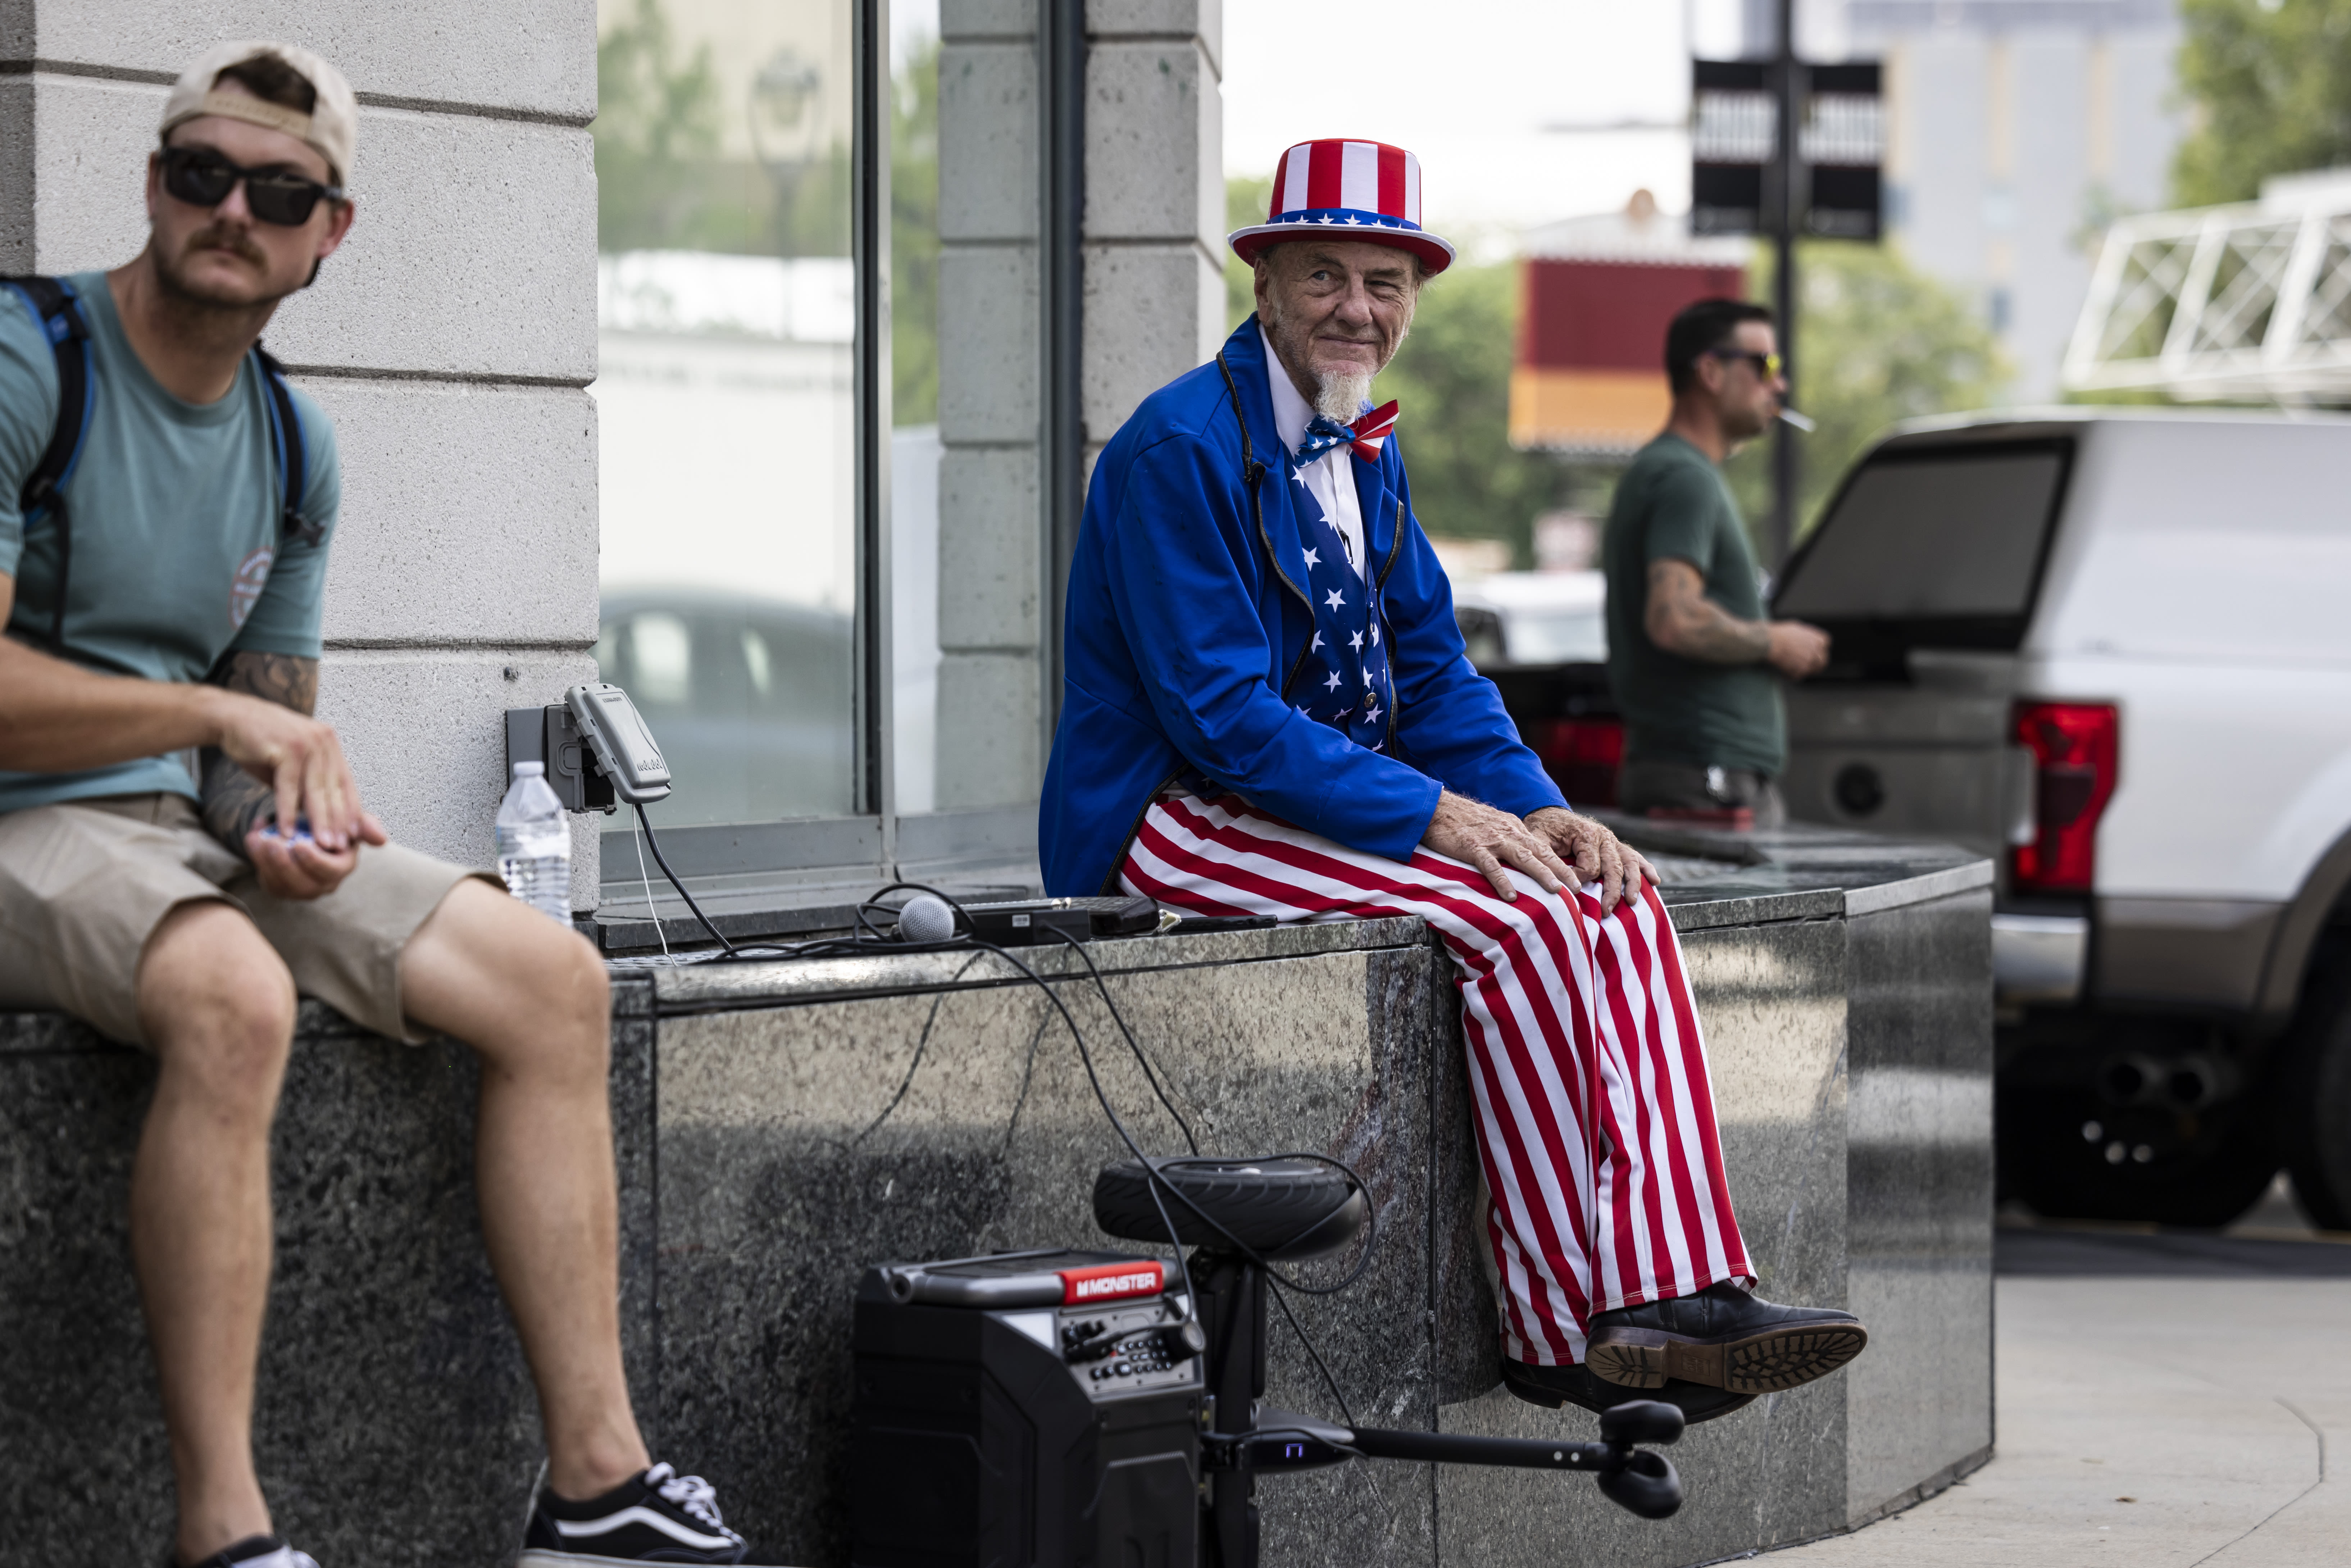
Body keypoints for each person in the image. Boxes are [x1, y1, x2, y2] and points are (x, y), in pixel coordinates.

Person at [0, 42, 751, 1568]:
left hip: (172, 834)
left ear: (328, 232)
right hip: (24, 816)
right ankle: (226, 1534)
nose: (233, 212)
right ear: (152, 183)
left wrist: (281, 824)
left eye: (278, 191)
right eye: (201, 175)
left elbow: (254, 744)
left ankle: (594, 1488)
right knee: (231, 992)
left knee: (553, 981)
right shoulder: (34, 359)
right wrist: (212, 719)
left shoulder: (292, 446)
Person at [1039, 140, 1866, 1422]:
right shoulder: (1175, 450)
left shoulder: (1365, 449)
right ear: (1261, 283)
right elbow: (1220, 722)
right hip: (1172, 815)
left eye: (1385, 279)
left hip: (1319, 798)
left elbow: (1431, 675)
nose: (1357, 307)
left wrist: (1541, 807)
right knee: (1517, 919)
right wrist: (1432, 812)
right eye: (1324, 274)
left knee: (1614, 899)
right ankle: (1557, 1333)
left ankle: (1685, 1290)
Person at [1602, 298, 1831, 826]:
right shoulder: (1686, 477)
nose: (1780, 385)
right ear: (1710, 370)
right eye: (1765, 365)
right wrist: (1778, 641)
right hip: (1707, 778)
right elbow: (1675, 618)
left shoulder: (1673, 471)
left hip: (1703, 775)